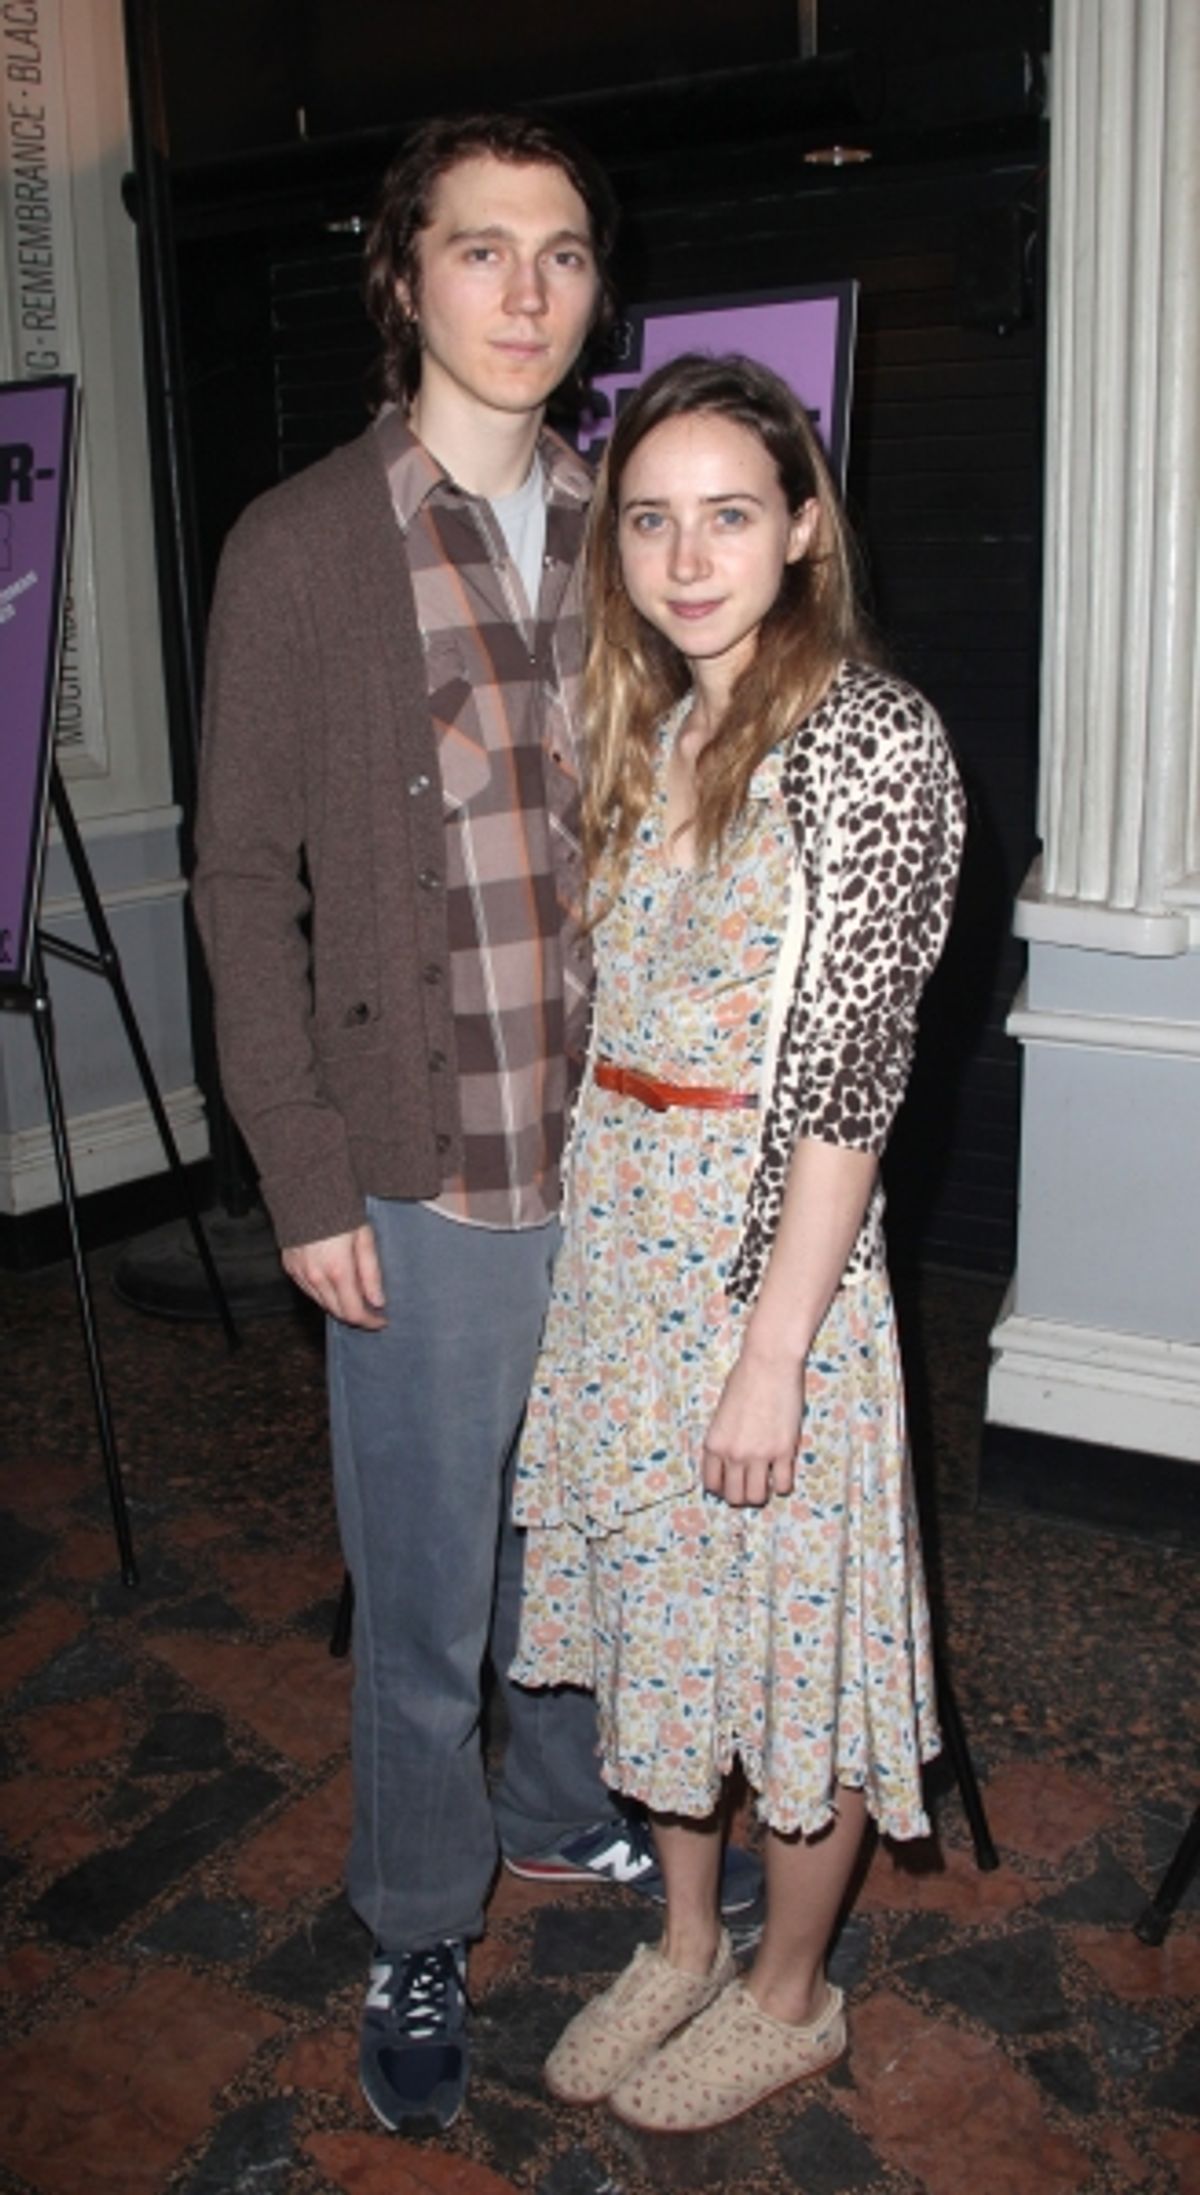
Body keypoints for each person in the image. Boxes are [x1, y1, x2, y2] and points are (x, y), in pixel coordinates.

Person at [192, 116, 759, 2136]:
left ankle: (549, 1814)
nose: (527, 290)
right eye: (482, 249)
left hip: (617, 1160)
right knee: (428, 1583)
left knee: (588, 1541)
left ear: (600, 292)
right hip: (419, 1173)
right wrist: (303, 1166)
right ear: (404, 274)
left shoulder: (634, 531)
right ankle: (419, 1912)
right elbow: (241, 879)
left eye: (567, 254)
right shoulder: (299, 545)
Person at [510, 352, 967, 2132]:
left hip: (761, 1263)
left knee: (787, 1645)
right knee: (658, 1628)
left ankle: (789, 1990)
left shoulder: (871, 738)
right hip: (623, 1247)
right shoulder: (650, 720)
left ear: (800, 527)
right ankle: (685, 1945)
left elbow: (854, 1084)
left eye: (728, 514)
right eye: (650, 518)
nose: (688, 555)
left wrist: (774, 1350)